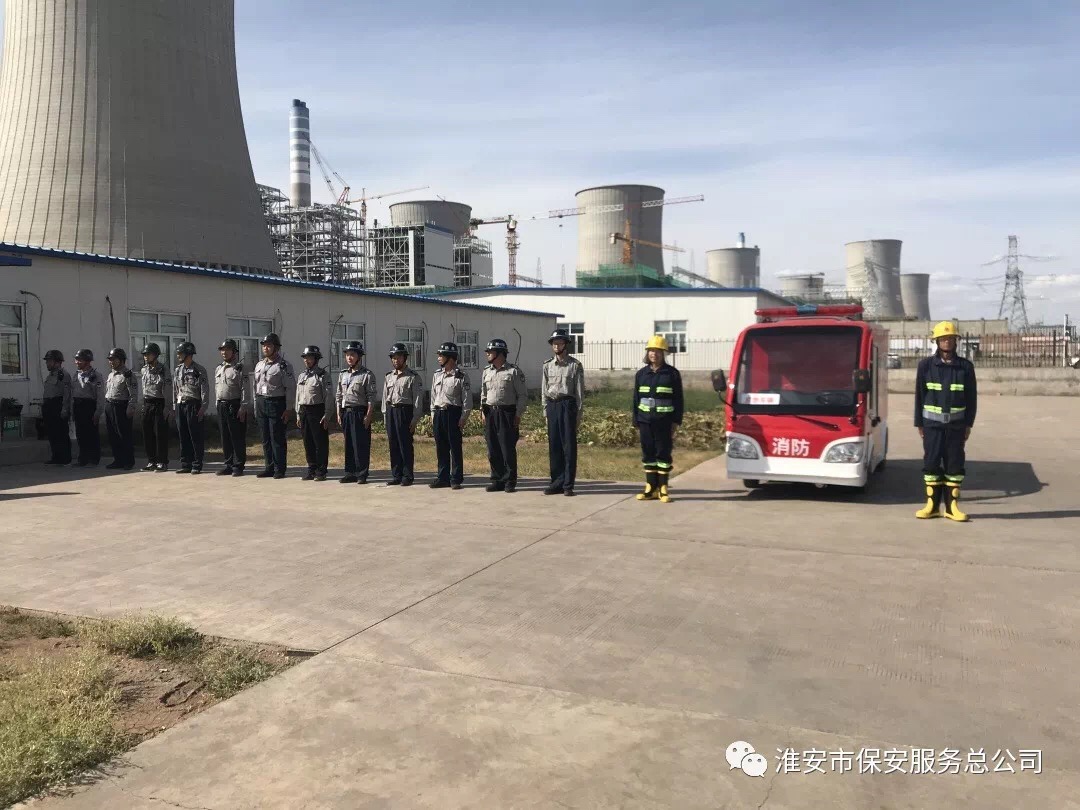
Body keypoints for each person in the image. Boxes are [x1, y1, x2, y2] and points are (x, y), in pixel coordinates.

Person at [915, 321, 978, 521]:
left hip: (956, 427)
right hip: (932, 427)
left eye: (950, 338)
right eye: (943, 339)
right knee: (931, 464)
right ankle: (932, 507)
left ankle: (952, 508)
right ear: (936, 341)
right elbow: (919, 396)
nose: (947, 342)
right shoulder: (925, 366)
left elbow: (971, 398)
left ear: (956, 341)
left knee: (954, 466)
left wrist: (968, 424)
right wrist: (919, 423)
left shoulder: (965, 367)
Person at [633, 335, 684, 504]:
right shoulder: (641, 374)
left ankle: (663, 488)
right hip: (645, 421)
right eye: (651, 351)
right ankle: (650, 488)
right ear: (647, 353)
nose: (653, 354)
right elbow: (636, 399)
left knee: (663, 453)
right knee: (648, 453)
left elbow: (678, 399)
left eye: (657, 351)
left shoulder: (672, 374)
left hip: (664, 421)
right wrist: (636, 420)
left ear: (663, 353)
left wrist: (676, 421)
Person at [480, 338, 528, 493]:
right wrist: (483, 411)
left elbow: (522, 395)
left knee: (507, 448)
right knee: (492, 448)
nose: (487, 354)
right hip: (491, 413)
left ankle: (509, 480)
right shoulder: (486, 371)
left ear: (500, 353)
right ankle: (497, 480)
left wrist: (518, 414)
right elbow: (483, 393)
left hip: (507, 413)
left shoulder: (513, 371)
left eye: (490, 351)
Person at [541, 329, 585, 496]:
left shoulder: (575, 365)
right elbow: (544, 391)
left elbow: (579, 393)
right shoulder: (547, 365)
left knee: (568, 446)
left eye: (559, 343)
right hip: (553, 405)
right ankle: (556, 482)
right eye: (554, 343)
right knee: (554, 446)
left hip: (568, 406)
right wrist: (545, 412)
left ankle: (568, 484)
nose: (556, 346)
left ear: (566, 344)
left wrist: (578, 415)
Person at [429, 341, 472, 490]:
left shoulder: (461, 376)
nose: (438, 358)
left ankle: (456, 478)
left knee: (455, 447)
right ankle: (442, 477)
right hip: (439, 413)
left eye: (441, 355)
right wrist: (433, 414)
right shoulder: (437, 375)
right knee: (441, 447)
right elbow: (433, 397)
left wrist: (463, 417)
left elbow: (467, 400)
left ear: (450, 357)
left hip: (453, 413)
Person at [253, 333, 296, 479]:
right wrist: (256, 405)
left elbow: (290, 388)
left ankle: (279, 469)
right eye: (264, 345)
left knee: (276, 437)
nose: (265, 348)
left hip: (276, 403)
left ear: (276, 347)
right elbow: (255, 386)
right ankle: (269, 467)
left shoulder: (283, 366)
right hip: (261, 402)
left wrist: (288, 408)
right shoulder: (259, 364)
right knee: (265, 438)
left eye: (269, 345)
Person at [382, 343, 423, 486]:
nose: (395, 360)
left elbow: (417, 400)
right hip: (391, 411)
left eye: (398, 357)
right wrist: (385, 416)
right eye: (393, 357)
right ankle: (396, 475)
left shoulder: (413, 377)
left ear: (405, 358)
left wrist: (415, 419)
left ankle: (407, 475)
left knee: (404, 444)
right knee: (393, 444)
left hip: (404, 412)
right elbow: (385, 398)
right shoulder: (389, 376)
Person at [336, 341, 377, 484]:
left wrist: (368, 415)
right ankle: (350, 473)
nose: (349, 357)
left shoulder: (367, 375)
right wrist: (338, 413)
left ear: (359, 356)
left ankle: (361, 474)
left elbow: (371, 397)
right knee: (349, 444)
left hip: (360, 412)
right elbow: (339, 395)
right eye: (347, 355)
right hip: (346, 412)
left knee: (361, 444)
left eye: (352, 354)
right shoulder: (343, 374)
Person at [296, 346, 332, 481]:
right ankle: (311, 469)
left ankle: (321, 471)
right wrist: (298, 413)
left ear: (316, 359)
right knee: (308, 442)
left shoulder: (323, 375)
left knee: (320, 442)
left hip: (317, 410)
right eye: (305, 358)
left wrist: (327, 414)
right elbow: (298, 396)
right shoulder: (302, 375)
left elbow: (328, 396)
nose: (307, 360)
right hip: (304, 411)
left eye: (310, 358)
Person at [173, 342, 210, 474]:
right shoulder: (178, 370)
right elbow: (175, 389)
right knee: (183, 435)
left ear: (188, 354)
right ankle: (186, 463)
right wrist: (174, 406)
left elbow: (204, 390)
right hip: (180, 404)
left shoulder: (199, 370)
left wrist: (203, 407)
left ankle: (196, 464)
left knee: (195, 435)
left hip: (193, 405)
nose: (178, 355)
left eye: (180, 353)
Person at [215, 339, 250, 477]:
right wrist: (217, 403)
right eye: (222, 350)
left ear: (234, 352)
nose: (224, 352)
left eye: (227, 349)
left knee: (237, 437)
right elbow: (217, 388)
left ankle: (238, 465)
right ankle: (228, 464)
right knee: (225, 437)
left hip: (234, 405)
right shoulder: (219, 368)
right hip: (222, 405)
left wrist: (243, 406)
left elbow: (245, 388)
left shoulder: (239, 368)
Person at [139, 343, 173, 472]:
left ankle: (162, 462)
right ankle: (151, 461)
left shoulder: (163, 369)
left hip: (160, 403)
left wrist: (167, 407)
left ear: (156, 355)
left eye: (148, 354)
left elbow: (168, 389)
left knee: (160, 434)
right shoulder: (144, 369)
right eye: (144, 354)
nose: (146, 357)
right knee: (147, 433)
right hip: (147, 403)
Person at [104, 347, 138, 470]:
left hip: (121, 406)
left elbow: (133, 393)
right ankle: (118, 460)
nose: (111, 362)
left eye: (114, 359)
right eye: (110, 359)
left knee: (124, 435)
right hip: (110, 404)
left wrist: (131, 407)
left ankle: (128, 461)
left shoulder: (128, 375)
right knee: (113, 435)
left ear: (121, 360)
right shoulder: (111, 374)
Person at [70, 348, 104, 467]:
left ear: (88, 361)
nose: (77, 362)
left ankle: (94, 459)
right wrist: (72, 410)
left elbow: (100, 395)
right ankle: (83, 459)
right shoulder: (76, 375)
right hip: (78, 406)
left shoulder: (96, 376)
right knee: (80, 434)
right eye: (76, 360)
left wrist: (98, 412)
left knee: (91, 434)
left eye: (80, 360)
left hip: (89, 406)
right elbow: (72, 393)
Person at [41, 350, 72, 465]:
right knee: (52, 433)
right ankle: (56, 457)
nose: (47, 363)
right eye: (47, 361)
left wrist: (65, 409)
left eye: (49, 361)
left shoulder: (63, 375)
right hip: (49, 406)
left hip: (58, 405)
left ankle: (65, 458)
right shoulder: (50, 375)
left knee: (61, 433)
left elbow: (67, 393)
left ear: (57, 362)